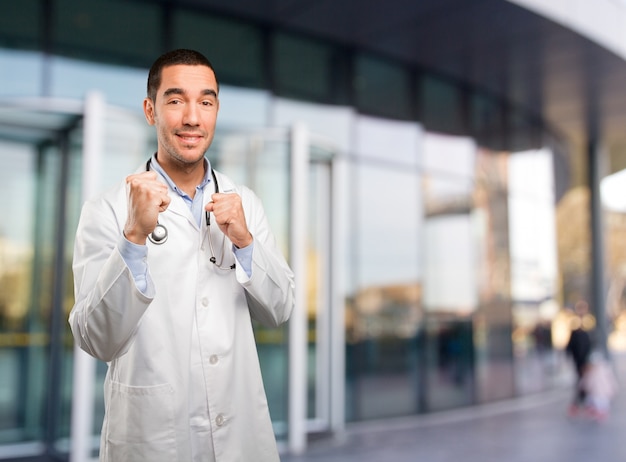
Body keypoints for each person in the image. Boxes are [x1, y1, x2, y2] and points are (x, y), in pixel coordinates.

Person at [69, 49, 295, 462]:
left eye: (205, 102)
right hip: (153, 436)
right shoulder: (106, 210)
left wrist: (245, 242)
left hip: (239, 435)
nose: (192, 117)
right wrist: (134, 237)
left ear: (216, 110)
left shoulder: (244, 203)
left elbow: (279, 309)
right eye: (175, 101)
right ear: (150, 110)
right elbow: (94, 338)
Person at [565, 300, 593, 416]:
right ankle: (579, 403)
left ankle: (583, 402)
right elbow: (570, 345)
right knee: (581, 382)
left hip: (586, 359)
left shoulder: (589, 323)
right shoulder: (574, 325)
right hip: (579, 360)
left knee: (585, 382)